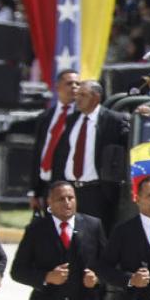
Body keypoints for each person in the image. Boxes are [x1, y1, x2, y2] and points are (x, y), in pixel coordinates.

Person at [54, 80, 130, 232]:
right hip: (70, 191)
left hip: (97, 193)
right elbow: (63, 155)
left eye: (83, 95)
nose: (78, 99)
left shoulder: (113, 121)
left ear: (96, 98)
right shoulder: (72, 120)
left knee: (97, 240)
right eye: (77, 95)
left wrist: (143, 113)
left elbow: (130, 145)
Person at [31, 69, 79, 215]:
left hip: (69, 185)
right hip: (47, 184)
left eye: (78, 84)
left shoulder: (82, 117)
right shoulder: (46, 117)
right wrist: (34, 191)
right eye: (69, 83)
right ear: (57, 87)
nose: (74, 87)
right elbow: (38, 153)